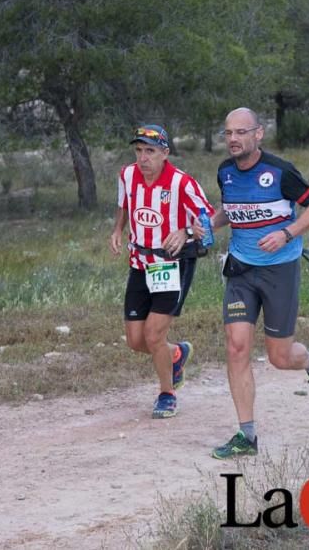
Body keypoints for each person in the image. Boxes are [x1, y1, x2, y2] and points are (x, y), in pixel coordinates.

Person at [207, 107, 309, 459]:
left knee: (279, 356)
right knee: (236, 347)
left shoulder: (280, 172)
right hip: (241, 270)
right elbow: (229, 210)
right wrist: (203, 225)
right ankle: (247, 437)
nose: (233, 139)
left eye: (241, 132)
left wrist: (286, 232)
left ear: (258, 134)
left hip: (280, 269)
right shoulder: (225, 172)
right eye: (228, 133)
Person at [109, 124, 215, 419]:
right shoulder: (127, 174)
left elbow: (207, 225)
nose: (143, 158)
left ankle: (167, 394)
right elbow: (124, 203)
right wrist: (118, 229)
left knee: (154, 336)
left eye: (151, 152)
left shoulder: (182, 183)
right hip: (139, 264)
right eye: (139, 151)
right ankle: (177, 354)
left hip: (171, 264)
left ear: (165, 153)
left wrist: (185, 231)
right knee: (135, 340)